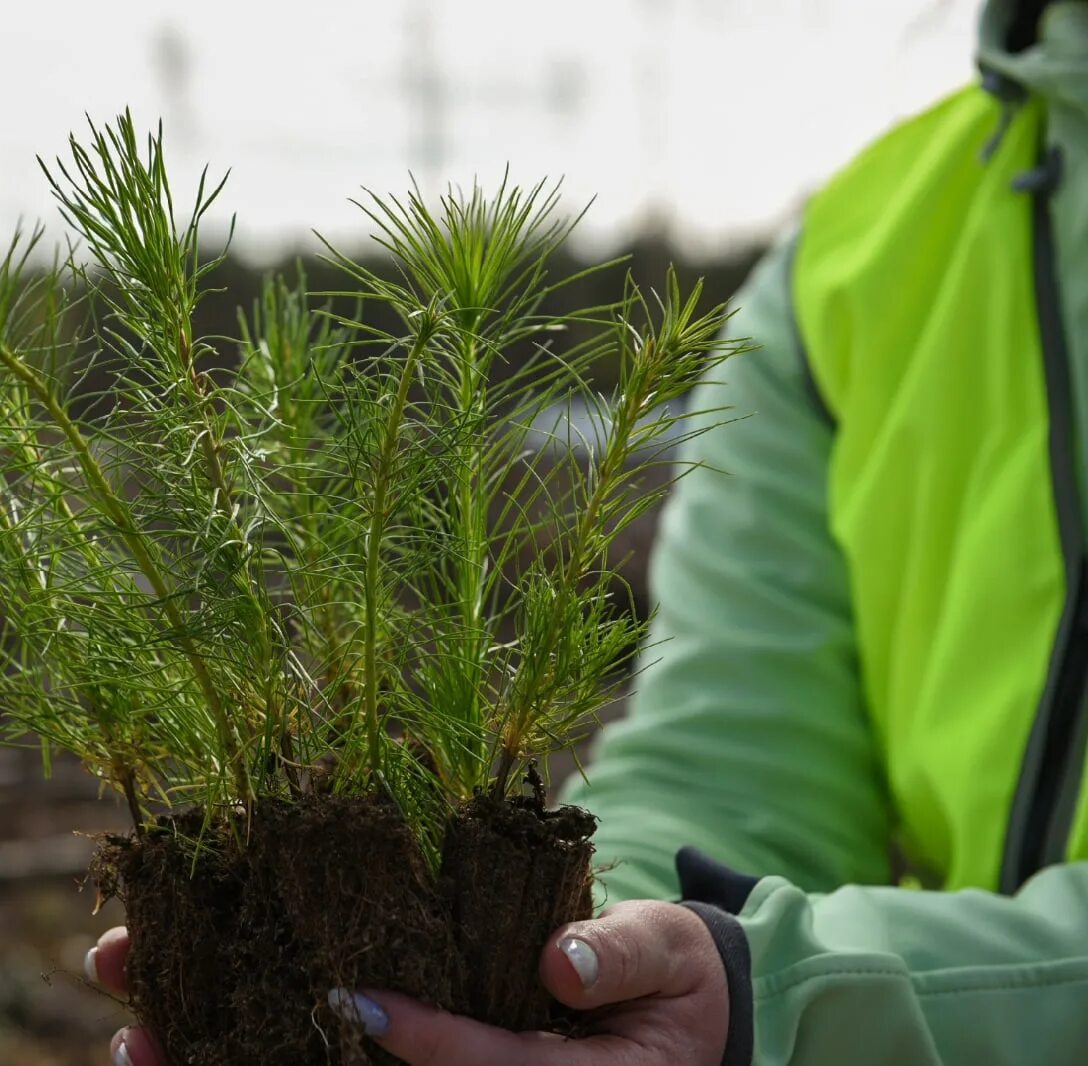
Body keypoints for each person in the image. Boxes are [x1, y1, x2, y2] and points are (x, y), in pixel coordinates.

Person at [90, 0, 1088, 1061]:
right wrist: (593, 952)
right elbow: (732, 770)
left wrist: (781, 994)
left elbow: (775, 978)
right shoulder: (863, 263)